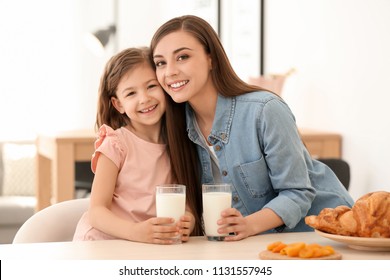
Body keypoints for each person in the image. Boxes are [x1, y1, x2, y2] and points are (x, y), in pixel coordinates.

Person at [150, 15, 354, 241]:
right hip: (255, 245)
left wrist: (247, 225)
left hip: (323, 234)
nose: (169, 72)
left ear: (211, 59)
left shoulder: (265, 110)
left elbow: (298, 192)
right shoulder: (178, 127)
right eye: (160, 63)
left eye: (182, 57)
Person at [73, 47, 202, 244]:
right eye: (131, 93)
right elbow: (97, 212)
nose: (144, 99)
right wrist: (135, 232)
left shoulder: (180, 144)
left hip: (146, 246)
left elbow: (183, 196)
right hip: (103, 243)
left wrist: (188, 219)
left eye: (151, 86)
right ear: (119, 105)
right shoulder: (116, 144)